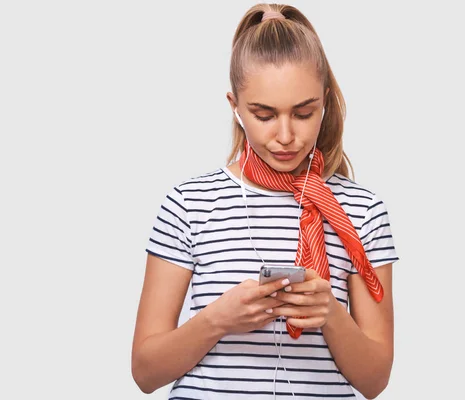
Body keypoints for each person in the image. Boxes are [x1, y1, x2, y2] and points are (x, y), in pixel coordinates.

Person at [132, 3, 399, 399]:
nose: (286, 135)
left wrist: (331, 315)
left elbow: (375, 381)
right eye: (264, 114)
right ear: (235, 106)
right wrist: (217, 320)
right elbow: (145, 372)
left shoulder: (362, 211)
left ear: (324, 103)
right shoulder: (189, 203)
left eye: (304, 112)